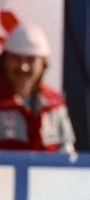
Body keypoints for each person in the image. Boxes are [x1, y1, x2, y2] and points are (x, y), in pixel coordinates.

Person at [0, 23, 76, 153]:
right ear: (4, 61)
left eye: (31, 60)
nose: (23, 67)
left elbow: (67, 151)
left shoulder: (55, 103)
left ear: (43, 64)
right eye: (16, 58)